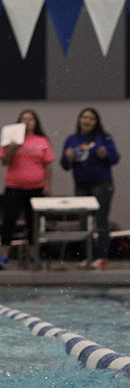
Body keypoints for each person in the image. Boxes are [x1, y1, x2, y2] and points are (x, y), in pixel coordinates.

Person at [60, 108, 120, 270]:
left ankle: (102, 257)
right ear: (80, 120)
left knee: (101, 221)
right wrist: (68, 158)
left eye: (91, 118)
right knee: (83, 223)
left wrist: (105, 155)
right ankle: (86, 256)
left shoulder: (104, 137)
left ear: (96, 122)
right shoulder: (72, 139)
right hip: (81, 186)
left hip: (102, 185)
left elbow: (115, 159)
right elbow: (65, 165)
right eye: (84, 117)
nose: (87, 121)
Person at [0, 109, 54, 270]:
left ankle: (32, 256)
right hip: (14, 187)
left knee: (33, 223)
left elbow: (48, 165)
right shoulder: (11, 139)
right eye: (24, 119)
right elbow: (4, 162)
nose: (28, 122)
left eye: (31, 119)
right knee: (9, 222)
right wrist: (11, 150)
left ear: (36, 123)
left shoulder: (42, 141)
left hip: (36, 188)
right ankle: (3, 256)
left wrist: (48, 186)